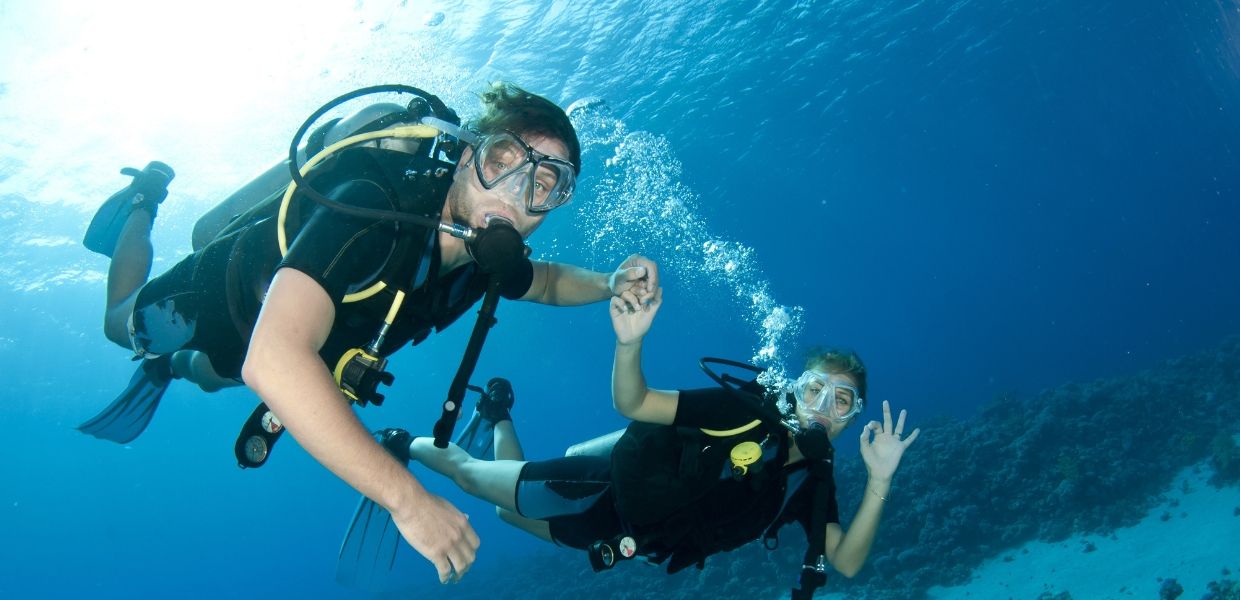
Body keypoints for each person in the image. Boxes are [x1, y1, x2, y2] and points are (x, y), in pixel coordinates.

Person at [79, 82, 659, 584]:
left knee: (210, 377)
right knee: (120, 326)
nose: (515, 194)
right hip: (229, 292)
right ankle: (140, 201)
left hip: (287, 340)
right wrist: (405, 500)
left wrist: (610, 282)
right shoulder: (375, 207)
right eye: (504, 160)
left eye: (546, 183)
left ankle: (169, 366)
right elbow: (275, 360)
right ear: (464, 156)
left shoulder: (483, 254)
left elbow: (545, 281)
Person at [375, 286, 920, 597]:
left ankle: (496, 415)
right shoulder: (740, 410)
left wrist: (880, 479)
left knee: (504, 515)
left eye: (842, 401)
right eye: (815, 390)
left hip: (626, 536)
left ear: (854, 417)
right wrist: (628, 344)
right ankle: (409, 446)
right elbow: (635, 403)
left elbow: (845, 562)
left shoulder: (810, 482)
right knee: (473, 479)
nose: (823, 409)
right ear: (793, 390)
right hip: (600, 489)